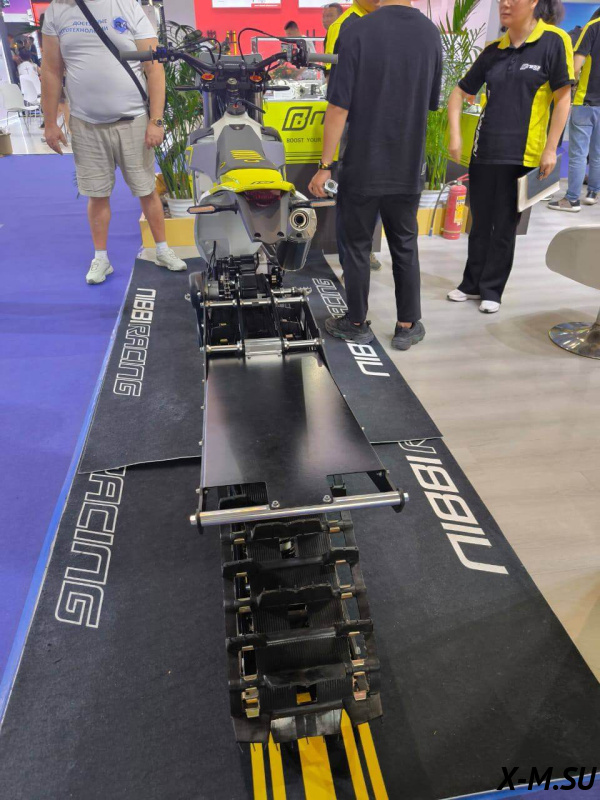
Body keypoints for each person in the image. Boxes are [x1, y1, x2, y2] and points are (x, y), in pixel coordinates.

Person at [309, 0, 442, 351]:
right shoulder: (431, 34)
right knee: (404, 243)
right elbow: (430, 102)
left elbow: (338, 106)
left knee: (356, 245)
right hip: (408, 163)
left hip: (363, 164)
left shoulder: (357, 31)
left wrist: (325, 165)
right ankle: (407, 324)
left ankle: (355, 322)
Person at [41, 0, 186, 285]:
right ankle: (101, 258)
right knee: (96, 194)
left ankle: (162, 250)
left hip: (133, 121)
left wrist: (156, 120)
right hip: (86, 123)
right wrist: (49, 123)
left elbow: (154, 67)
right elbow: (51, 70)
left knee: (146, 189)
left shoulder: (127, 6)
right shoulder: (58, 10)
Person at [447, 0, 573, 314]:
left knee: (504, 225)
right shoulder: (493, 50)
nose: (505, 3)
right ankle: (471, 284)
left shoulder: (554, 41)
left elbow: (563, 99)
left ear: (533, 3)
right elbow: (459, 92)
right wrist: (455, 134)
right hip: (484, 151)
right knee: (479, 222)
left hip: (523, 154)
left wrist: (551, 148)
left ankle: (492, 289)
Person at [325, 0, 383, 273]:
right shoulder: (343, 26)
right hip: (353, 122)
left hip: (382, 123)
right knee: (350, 193)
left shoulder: (386, 20)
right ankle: (350, 259)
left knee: (378, 191)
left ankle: (366, 248)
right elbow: (334, 84)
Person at [548, 7, 600, 210]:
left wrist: (572, 84)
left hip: (585, 101)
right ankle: (593, 192)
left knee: (578, 154)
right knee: (597, 153)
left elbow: (576, 66)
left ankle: (571, 199)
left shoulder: (592, 27)